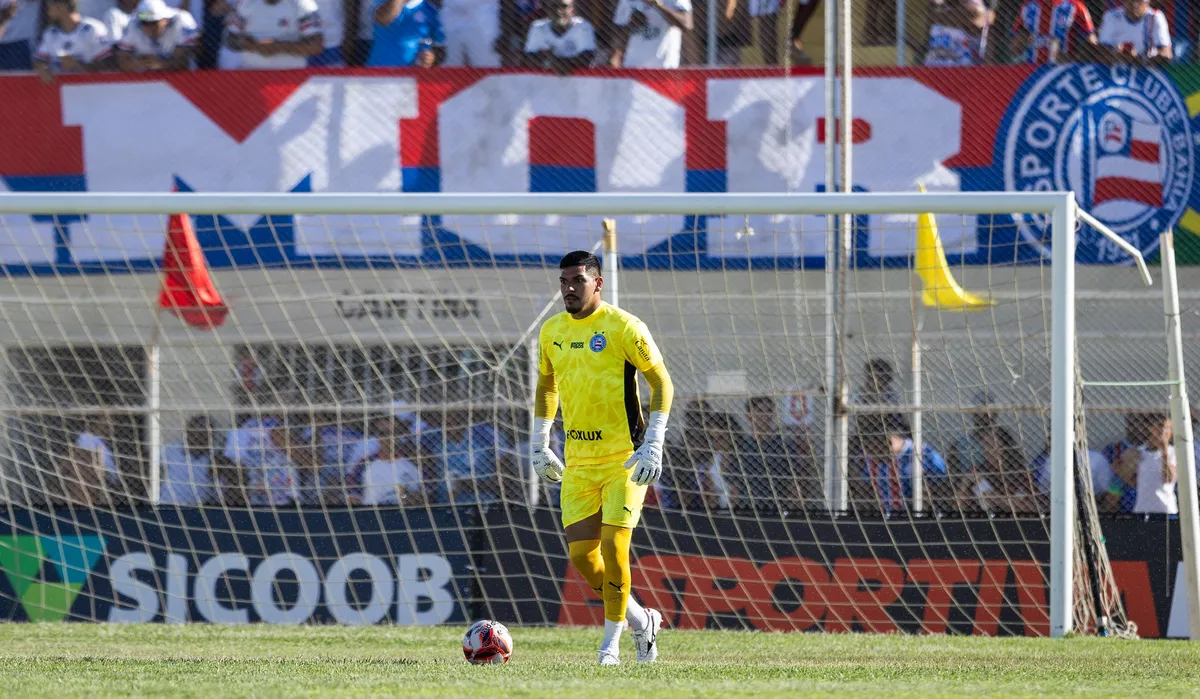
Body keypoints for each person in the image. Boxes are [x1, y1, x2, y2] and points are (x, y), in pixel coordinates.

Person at [531, 250, 673, 666]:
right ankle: (641, 620)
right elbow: (547, 388)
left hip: (625, 460)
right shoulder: (551, 331)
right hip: (578, 461)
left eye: (578, 280)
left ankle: (611, 645)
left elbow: (662, 383)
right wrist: (540, 444)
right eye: (564, 281)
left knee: (614, 548)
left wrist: (654, 443)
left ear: (597, 283)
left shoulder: (624, 326)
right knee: (581, 557)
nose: (569, 288)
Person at [34, 0, 116, 83]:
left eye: (50, 6)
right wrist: (43, 69)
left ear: (61, 7)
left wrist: (77, 65)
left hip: (92, 87)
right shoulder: (51, 33)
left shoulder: (93, 29)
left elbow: (108, 63)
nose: (47, 11)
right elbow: (39, 60)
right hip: (60, 89)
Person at [116, 0, 198, 72]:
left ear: (165, 19)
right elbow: (123, 61)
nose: (149, 27)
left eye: (153, 22)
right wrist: (142, 64)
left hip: (183, 80)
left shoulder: (181, 20)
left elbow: (182, 62)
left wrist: (159, 65)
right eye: (144, 23)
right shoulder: (133, 23)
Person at [1010, 0, 1098, 64]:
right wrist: (1022, 41)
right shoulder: (1028, 7)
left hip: (1061, 70)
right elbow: (1015, 47)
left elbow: (1091, 42)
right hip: (1031, 71)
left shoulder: (1075, 6)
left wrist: (1075, 60)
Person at [610, 0, 692, 68]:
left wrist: (658, 5)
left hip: (664, 67)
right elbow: (619, 31)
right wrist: (632, 23)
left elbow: (686, 25)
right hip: (633, 65)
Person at [523, 0, 595, 74]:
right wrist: (562, 63)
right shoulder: (538, 27)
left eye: (564, 6)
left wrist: (552, 60)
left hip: (577, 82)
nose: (558, 11)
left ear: (572, 9)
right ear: (548, 9)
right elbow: (528, 59)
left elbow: (587, 59)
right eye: (554, 6)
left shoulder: (583, 27)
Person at [368, 0, 444, 66]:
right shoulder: (382, 2)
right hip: (379, 71)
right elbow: (381, 19)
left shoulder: (430, 10)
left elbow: (439, 46)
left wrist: (431, 58)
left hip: (413, 76)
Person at [1097, 0, 1171, 64]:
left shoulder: (1155, 17)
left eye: (1139, 1)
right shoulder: (1111, 16)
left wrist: (1140, 59)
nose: (1134, 4)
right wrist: (1118, 55)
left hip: (1146, 71)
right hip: (1114, 68)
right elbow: (1101, 51)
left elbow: (1166, 54)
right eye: (1131, 0)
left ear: (1147, 3)